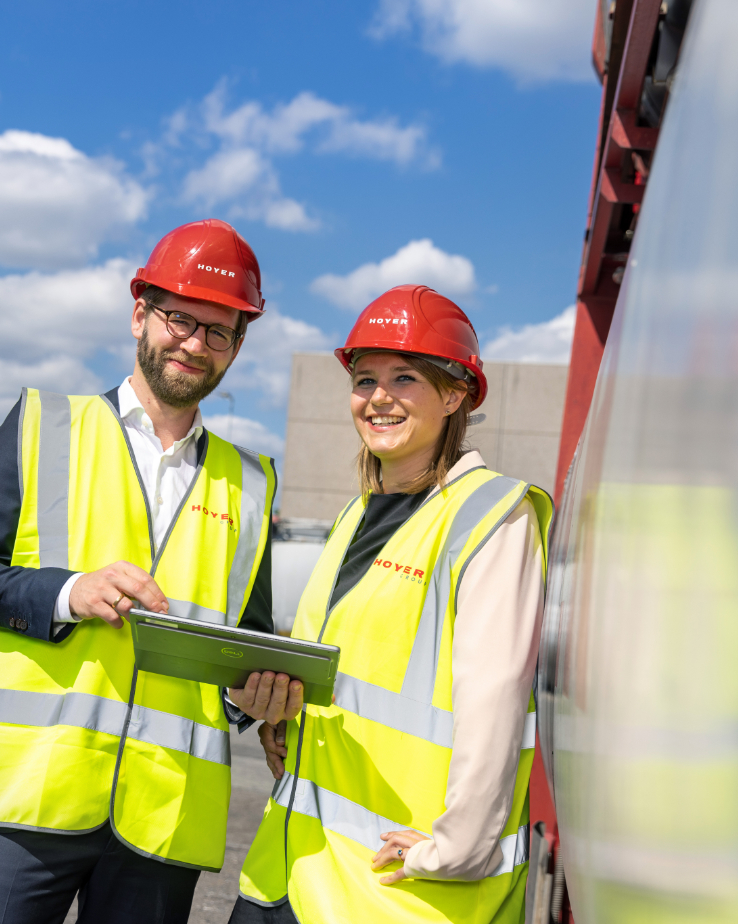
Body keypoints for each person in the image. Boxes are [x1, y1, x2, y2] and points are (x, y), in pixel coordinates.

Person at [0, 219, 280, 924]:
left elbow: (246, 637)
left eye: (219, 332)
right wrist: (68, 591)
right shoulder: (42, 425)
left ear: (237, 348)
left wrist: (257, 698)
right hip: (29, 798)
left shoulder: (253, 483)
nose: (194, 344)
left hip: (163, 815)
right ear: (139, 315)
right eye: (180, 318)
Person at [229, 285, 552, 924]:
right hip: (291, 867)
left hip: (398, 888)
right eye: (365, 377)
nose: (378, 396)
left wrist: (456, 847)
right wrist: (282, 721)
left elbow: (495, 696)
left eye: (405, 378)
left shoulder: (493, 515)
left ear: (456, 393)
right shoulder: (356, 514)